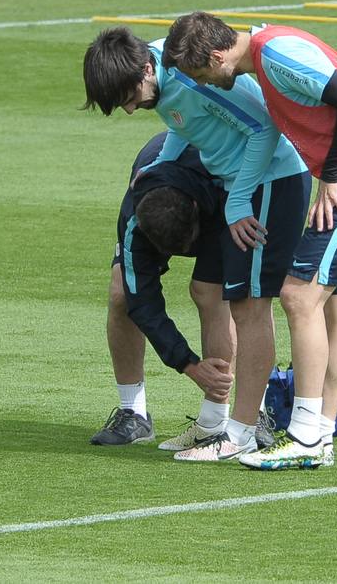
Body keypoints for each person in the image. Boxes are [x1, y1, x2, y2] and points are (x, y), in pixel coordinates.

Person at [163, 12, 337, 471]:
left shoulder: (276, 55)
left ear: (218, 56)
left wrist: (330, 179)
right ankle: (323, 434)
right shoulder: (266, 53)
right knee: (336, 307)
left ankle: (304, 435)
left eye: (202, 75)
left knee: (298, 295)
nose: (209, 85)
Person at [83, 27, 309, 462]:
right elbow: (184, 123)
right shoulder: (155, 82)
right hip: (233, 184)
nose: (131, 110)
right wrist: (161, 166)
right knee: (207, 291)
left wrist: (239, 199)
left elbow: (266, 126)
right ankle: (212, 423)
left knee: (249, 305)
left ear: (148, 68)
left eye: (130, 98)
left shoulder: (187, 74)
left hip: (267, 183)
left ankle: (244, 429)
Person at [93, 132, 264, 450]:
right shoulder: (136, 218)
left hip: (228, 197)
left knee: (213, 293)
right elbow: (142, 301)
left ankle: (235, 417)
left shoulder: (219, 192)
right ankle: (134, 413)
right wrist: (188, 364)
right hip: (167, 197)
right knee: (121, 293)